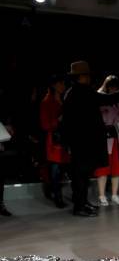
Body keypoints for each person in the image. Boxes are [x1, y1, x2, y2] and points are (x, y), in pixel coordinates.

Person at [61, 61, 119, 217]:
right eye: (87, 75)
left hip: (80, 142)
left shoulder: (73, 92)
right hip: (83, 142)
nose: (89, 78)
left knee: (82, 175)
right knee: (80, 176)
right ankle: (80, 207)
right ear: (81, 77)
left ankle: (83, 203)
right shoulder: (82, 92)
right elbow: (109, 99)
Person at [94, 74, 119, 206]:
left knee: (118, 168)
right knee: (103, 168)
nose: (114, 90)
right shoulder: (99, 96)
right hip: (105, 137)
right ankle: (102, 195)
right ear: (107, 86)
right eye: (112, 87)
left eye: (116, 87)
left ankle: (114, 194)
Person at [40, 74, 70, 208]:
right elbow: (45, 125)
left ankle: (56, 194)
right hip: (54, 141)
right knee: (56, 170)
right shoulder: (47, 101)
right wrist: (58, 120)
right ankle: (57, 197)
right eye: (61, 83)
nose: (63, 86)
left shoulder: (64, 99)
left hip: (65, 139)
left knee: (62, 170)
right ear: (54, 85)